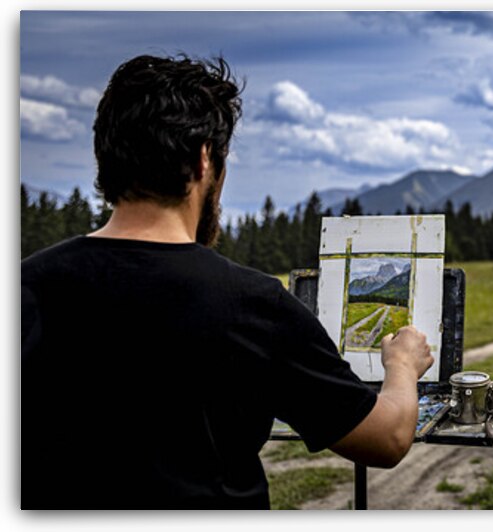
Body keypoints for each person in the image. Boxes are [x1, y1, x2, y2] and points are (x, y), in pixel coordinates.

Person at [21, 54, 434, 509]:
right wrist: (401, 365)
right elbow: (388, 437)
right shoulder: (253, 304)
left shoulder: (25, 286)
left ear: (105, 159)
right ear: (203, 160)